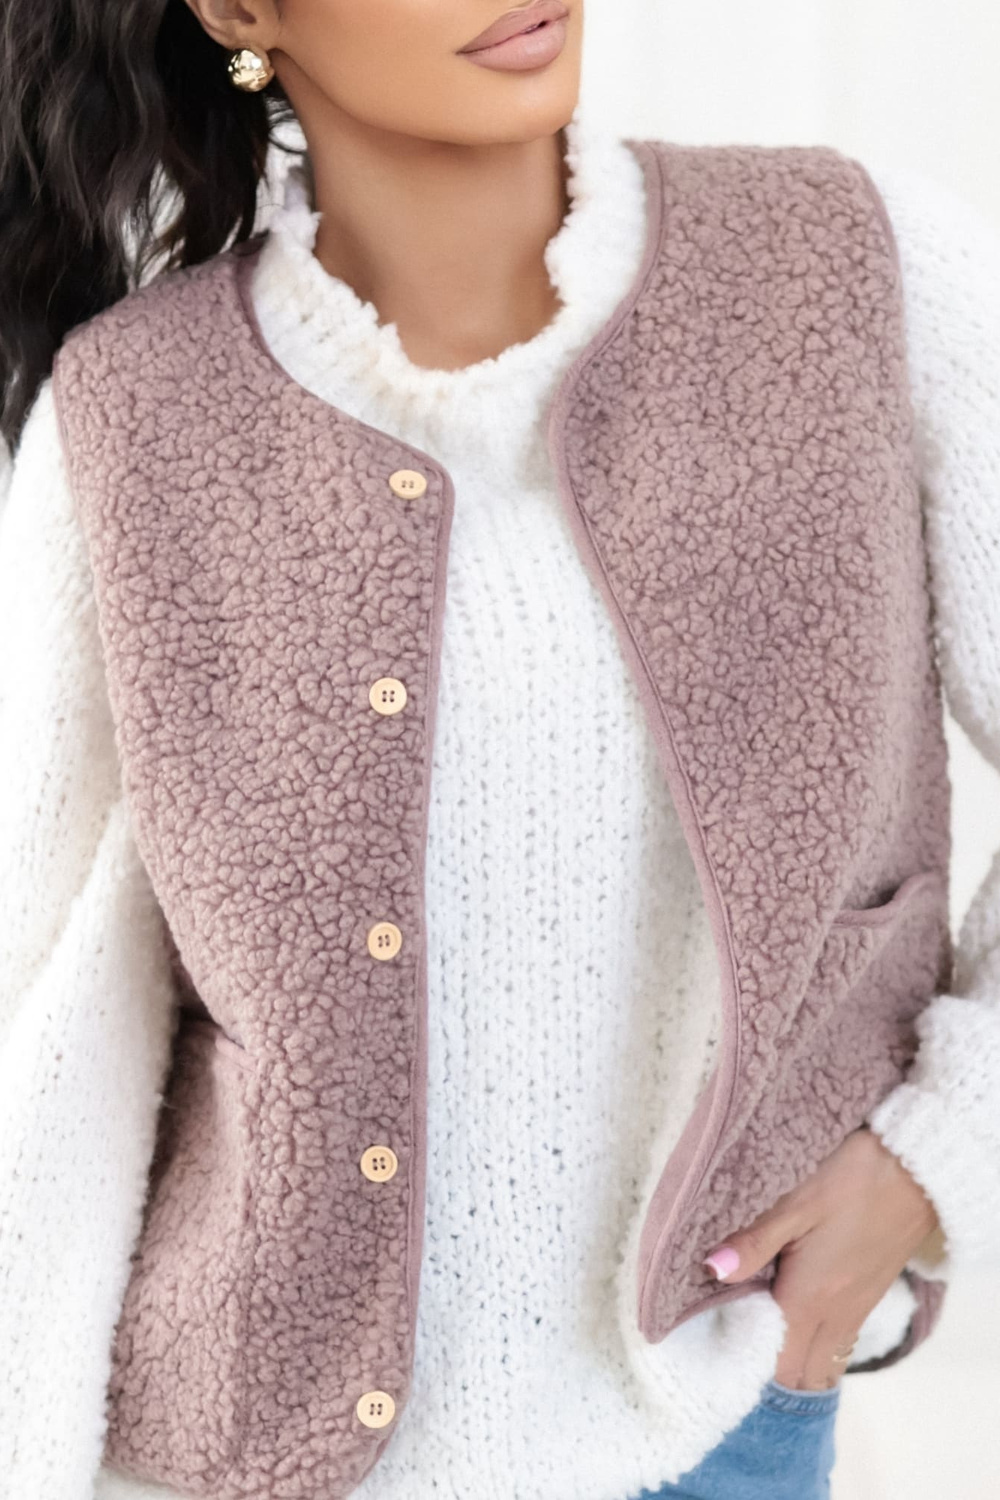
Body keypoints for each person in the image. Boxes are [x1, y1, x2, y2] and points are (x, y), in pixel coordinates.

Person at [1, 3, 999, 1499]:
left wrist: (942, 1151)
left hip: (712, 1424)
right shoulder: (133, 422)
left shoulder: (842, 271)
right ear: (242, 12)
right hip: (253, 1452)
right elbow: (52, 1021)